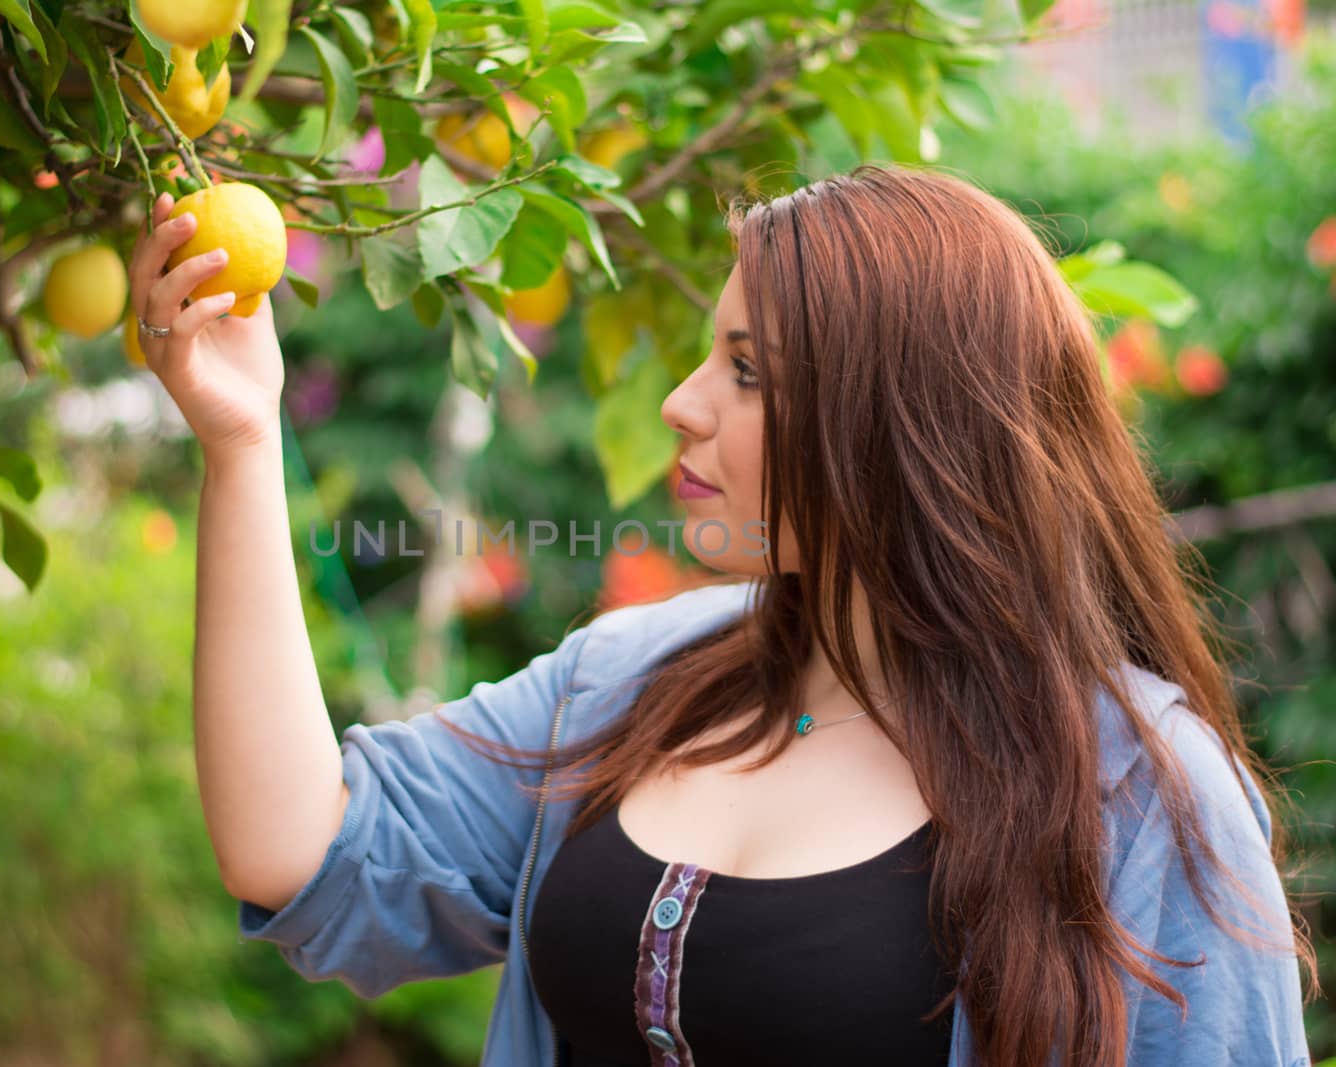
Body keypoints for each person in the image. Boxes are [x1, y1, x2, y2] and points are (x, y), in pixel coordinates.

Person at [126, 163, 1317, 1067]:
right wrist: (240, 443)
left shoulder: (1139, 796)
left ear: (900, 433)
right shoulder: (630, 679)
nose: (680, 403)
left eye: (748, 371)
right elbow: (302, 847)